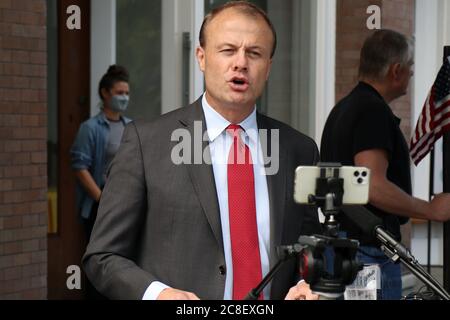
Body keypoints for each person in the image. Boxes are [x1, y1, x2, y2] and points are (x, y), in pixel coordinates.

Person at [83, 1, 321, 300]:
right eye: (228, 50)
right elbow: (102, 256)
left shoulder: (298, 149)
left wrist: (309, 282)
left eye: (254, 53)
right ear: (201, 57)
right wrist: (158, 294)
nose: (240, 63)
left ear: (268, 67)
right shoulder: (147, 143)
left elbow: (310, 248)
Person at [320, 29, 450, 300]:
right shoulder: (372, 111)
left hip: (345, 248)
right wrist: (431, 209)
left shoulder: (343, 109)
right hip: (367, 254)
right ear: (396, 70)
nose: (412, 74)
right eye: (411, 67)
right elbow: (372, 186)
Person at [71, 65, 132, 241]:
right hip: (100, 204)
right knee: (99, 259)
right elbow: (80, 167)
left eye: (127, 93)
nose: (124, 97)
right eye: (119, 92)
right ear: (105, 93)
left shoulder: (131, 126)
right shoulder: (90, 128)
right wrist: (101, 199)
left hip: (126, 201)